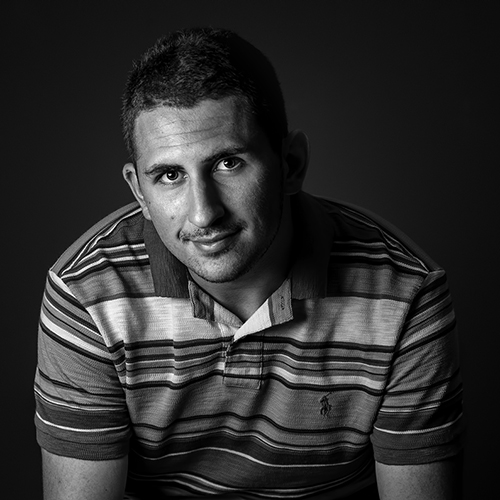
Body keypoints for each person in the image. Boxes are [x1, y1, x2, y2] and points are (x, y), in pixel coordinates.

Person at [34, 27, 464, 500]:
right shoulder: (87, 294)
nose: (204, 214)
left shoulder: (406, 295)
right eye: (170, 175)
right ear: (139, 191)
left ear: (291, 164)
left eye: (228, 163)